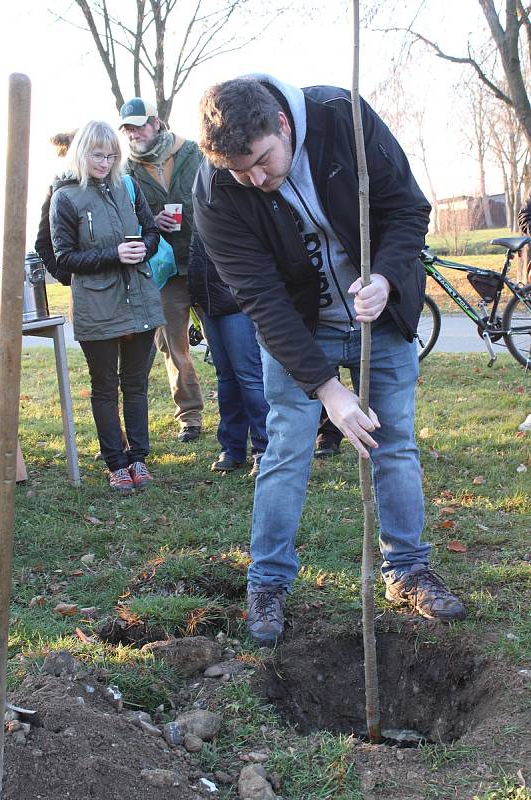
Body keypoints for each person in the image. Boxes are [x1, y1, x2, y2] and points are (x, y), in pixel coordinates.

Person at [193, 75, 466, 645]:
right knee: (287, 449)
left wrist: (387, 276)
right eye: (242, 171)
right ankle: (267, 582)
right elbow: (259, 298)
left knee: (394, 442)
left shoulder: (344, 119)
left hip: (379, 322)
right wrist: (326, 390)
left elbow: (408, 210)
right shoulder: (215, 192)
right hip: (297, 329)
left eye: (264, 161)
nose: (258, 180)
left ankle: (408, 569)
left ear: (284, 125)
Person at [50, 120, 165, 494]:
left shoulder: (127, 186)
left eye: (111, 154)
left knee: (136, 385)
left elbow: (151, 232)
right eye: (98, 154)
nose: (105, 161)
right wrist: (113, 255)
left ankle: (139, 459)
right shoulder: (64, 197)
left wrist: (143, 248)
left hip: (140, 299)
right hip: (98, 304)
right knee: (105, 387)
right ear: (82, 153)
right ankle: (116, 464)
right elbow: (64, 257)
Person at [119, 98, 204, 444]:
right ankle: (191, 416)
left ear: (156, 122)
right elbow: (127, 217)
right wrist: (151, 221)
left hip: (208, 260)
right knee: (173, 344)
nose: (134, 133)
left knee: (230, 342)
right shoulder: (127, 171)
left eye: (139, 125)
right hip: (166, 269)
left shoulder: (193, 153)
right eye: (127, 128)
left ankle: (241, 413)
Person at [188, 233, 269, 476]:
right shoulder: (202, 199)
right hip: (209, 303)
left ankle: (264, 450)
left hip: (237, 302)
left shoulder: (237, 199)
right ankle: (232, 448)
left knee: (249, 377)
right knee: (225, 378)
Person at [35, 130, 77, 286]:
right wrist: (65, 276)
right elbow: (42, 243)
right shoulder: (56, 191)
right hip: (81, 293)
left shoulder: (111, 186)